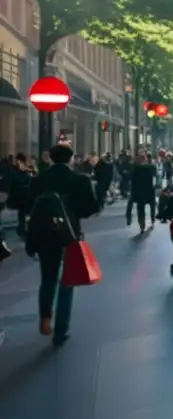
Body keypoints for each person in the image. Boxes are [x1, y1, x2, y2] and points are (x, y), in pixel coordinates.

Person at [25, 143, 99, 346]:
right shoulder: (78, 180)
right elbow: (91, 208)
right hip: (69, 234)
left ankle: (45, 317)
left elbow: (30, 205)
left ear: (51, 158)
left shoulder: (39, 179)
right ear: (71, 158)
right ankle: (61, 329)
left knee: (47, 278)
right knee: (67, 281)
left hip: (44, 236)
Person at [128, 152, 158, 233]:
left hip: (140, 192)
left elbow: (133, 182)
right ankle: (152, 220)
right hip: (149, 190)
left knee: (140, 209)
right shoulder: (152, 167)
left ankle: (142, 225)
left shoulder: (136, 169)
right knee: (152, 206)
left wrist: (133, 193)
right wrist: (154, 188)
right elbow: (154, 180)